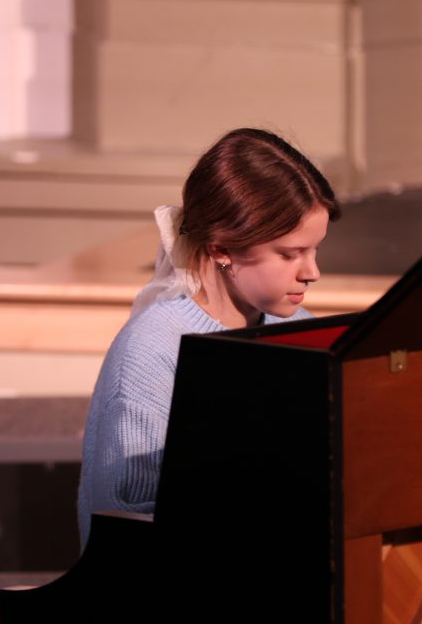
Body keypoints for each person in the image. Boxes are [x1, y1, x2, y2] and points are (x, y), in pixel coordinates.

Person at [77, 128, 340, 547]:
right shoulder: (153, 349)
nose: (311, 272)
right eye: (290, 254)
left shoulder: (300, 331)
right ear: (221, 249)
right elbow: (126, 520)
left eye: (315, 250)